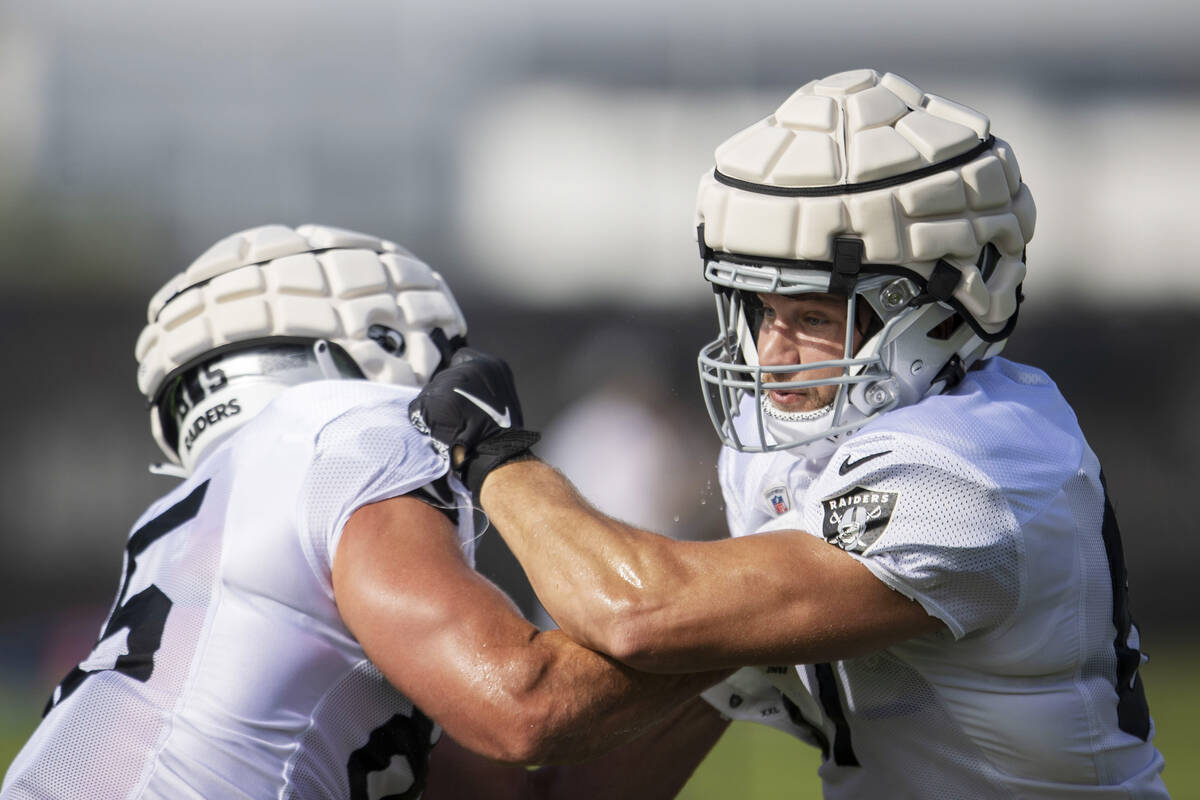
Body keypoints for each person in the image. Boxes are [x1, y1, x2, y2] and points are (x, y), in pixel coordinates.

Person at [411, 69, 1171, 797]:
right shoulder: (795, 458)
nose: (772, 355)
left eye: (811, 317)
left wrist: (495, 455)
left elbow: (638, 614)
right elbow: (567, 767)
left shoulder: (975, 463)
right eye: (761, 313)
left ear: (945, 306)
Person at [0, 224, 730, 800]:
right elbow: (522, 698)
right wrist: (754, 608)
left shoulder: (187, 534)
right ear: (376, 349)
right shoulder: (341, 425)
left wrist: (730, 671)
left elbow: (530, 794)